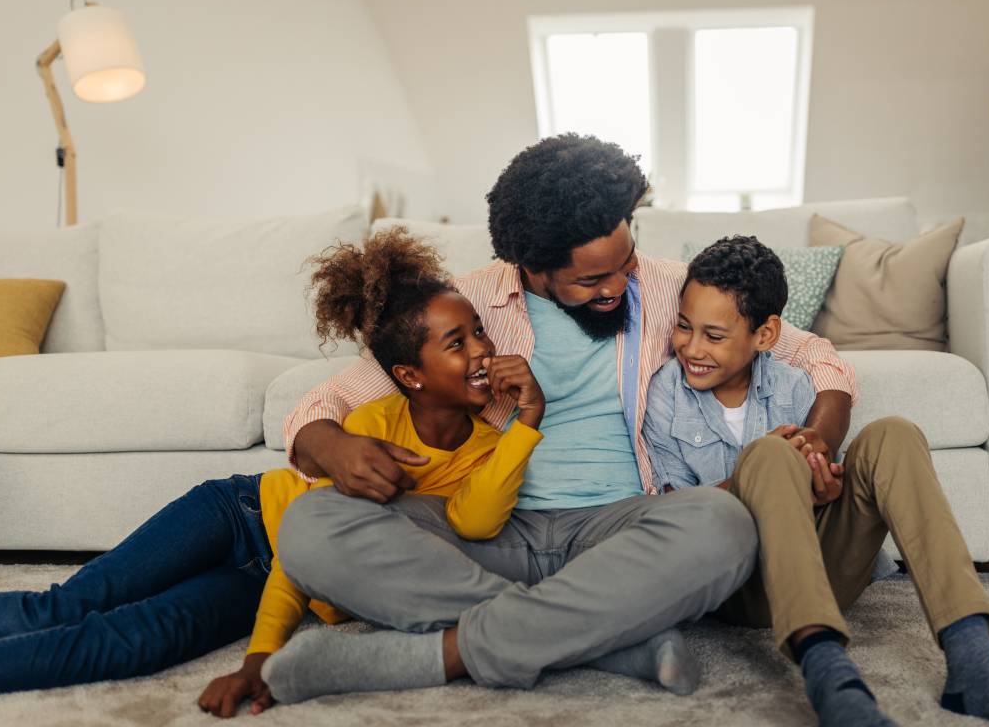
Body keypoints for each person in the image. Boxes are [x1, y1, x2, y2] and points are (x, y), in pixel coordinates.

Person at [265, 134, 855, 699]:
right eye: (593, 279)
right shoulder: (468, 303)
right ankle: (605, 641)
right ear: (532, 265)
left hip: (624, 528)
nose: (620, 286)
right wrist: (333, 447)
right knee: (311, 525)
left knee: (724, 524)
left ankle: (442, 653)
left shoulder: (667, 285)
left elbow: (814, 355)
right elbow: (323, 405)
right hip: (491, 532)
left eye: (625, 262)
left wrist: (818, 438)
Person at [642, 235, 989, 727]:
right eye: (684, 326)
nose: (691, 347)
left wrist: (820, 486)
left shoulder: (792, 385)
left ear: (765, 336)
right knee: (770, 453)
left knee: (894, 433)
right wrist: (770, 473)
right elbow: (677, 516)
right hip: (736, 584)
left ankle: (973, 659)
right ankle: (832, 678)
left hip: (821, 566)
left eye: (714, 335)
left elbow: (822, 475)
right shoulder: (665, 396)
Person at [195, 228, 568, 715]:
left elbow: (476, 522)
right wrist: (260, 656)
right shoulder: (374, 425)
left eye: (479, 330)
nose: (482, 349)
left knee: (144, 636)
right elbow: (305, 534)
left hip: (275, 575)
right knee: (102, 592)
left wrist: (528, 420)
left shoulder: (488, 446)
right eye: (458, 342)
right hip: (244, 512)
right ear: (410, 376)